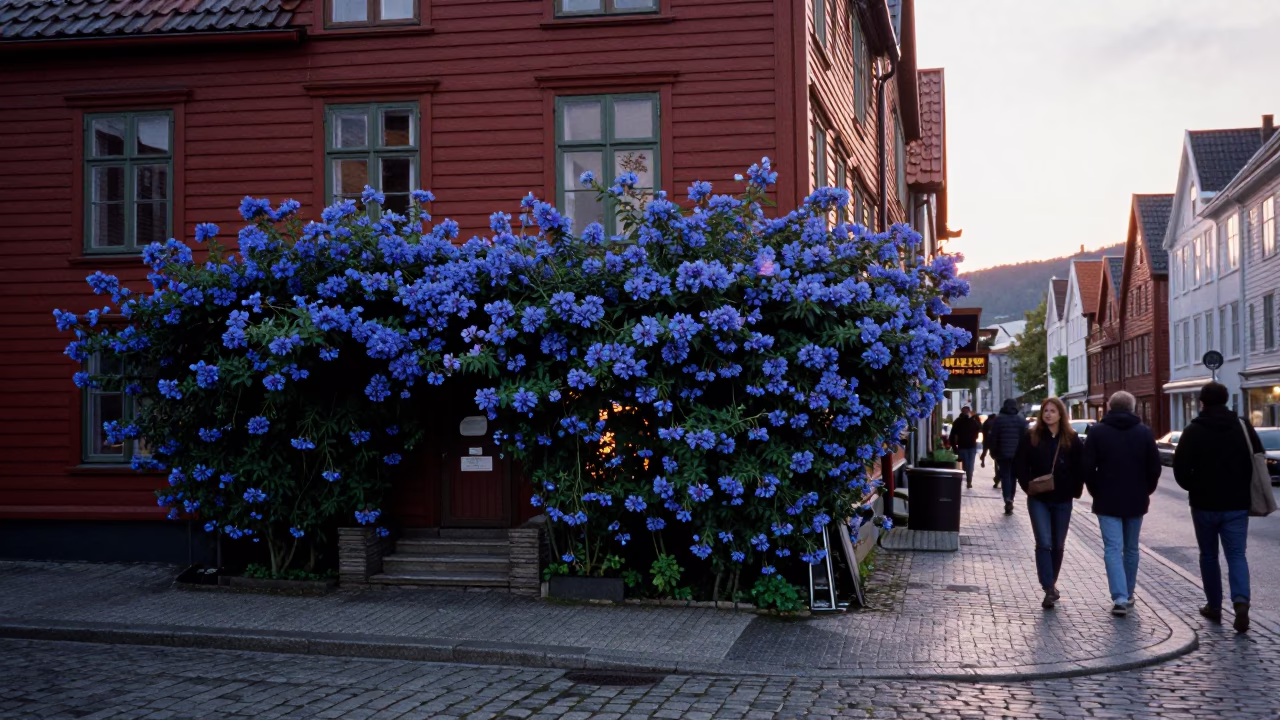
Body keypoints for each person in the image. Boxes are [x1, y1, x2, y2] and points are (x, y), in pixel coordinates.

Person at [1173, 382, 1263, 633]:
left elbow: (1180, 469)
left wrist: (1194, 486)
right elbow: (1257, 458)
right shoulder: (1242, 427)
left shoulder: (1193, 431)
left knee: (1209, 555)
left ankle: (1214, 606)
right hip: (1236, 504)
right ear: (1226, 401)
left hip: (1204, 504)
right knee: (1236, 554)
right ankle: (1241, 601)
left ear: (1202, 402)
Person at [1082, 391, 1161, 617]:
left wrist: (1096, 490)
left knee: (1112, 548)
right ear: (1132, 407)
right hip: (1136, 499)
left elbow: (1087, 467)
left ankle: (1119, 597)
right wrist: (1146, 490)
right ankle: (1128, 591)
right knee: (1132, 548)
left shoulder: (1097, 432)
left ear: (1109, 407)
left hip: (1106, 499)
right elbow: (1154, 468)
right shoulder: (1144, 433)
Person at [1014, 397, 1083, 609]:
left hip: (1063, 499)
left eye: (1053, 411)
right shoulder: (1031, 437)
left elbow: (1080, 468)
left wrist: (1074, 490)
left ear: (1061, 414)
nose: (1048, 414)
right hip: (1038, 499)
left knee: (1058, 544)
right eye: (1045, 411)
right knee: (1044, 542)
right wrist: (1028, 486)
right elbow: (1020, 464)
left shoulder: (1071, 439)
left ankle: (1050, 585)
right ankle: (1048, 586)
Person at [989, 398, 1028, 515]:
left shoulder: (999, 420)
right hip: (1017, 455)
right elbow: (1025, 439)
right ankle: (1011, 498)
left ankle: (1007, 499)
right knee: (1013, 477)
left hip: (1003, 454)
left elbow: (994, 437)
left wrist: (993, 452)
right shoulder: (1021, 420)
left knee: (1005, 476)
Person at [949, 406, 982, 489]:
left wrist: (976, 418)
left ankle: (969, 481)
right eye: (965, 411)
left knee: (969, 465)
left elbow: (980, 429)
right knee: (967, 465)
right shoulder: (959, 421)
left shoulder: (971, 421)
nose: (966, 412)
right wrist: (954, 448)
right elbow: (952, 435)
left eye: (967, 411)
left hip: (970, 446)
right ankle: (968, 480)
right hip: (964, 446)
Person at [980, 412, 999, 486]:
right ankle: (998, 477)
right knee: (997, 462)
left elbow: (982, 430)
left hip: (987, 441)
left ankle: (982, 460)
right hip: (995, 443)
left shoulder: (986, 422)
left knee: (985, 451)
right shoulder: (996, 422)